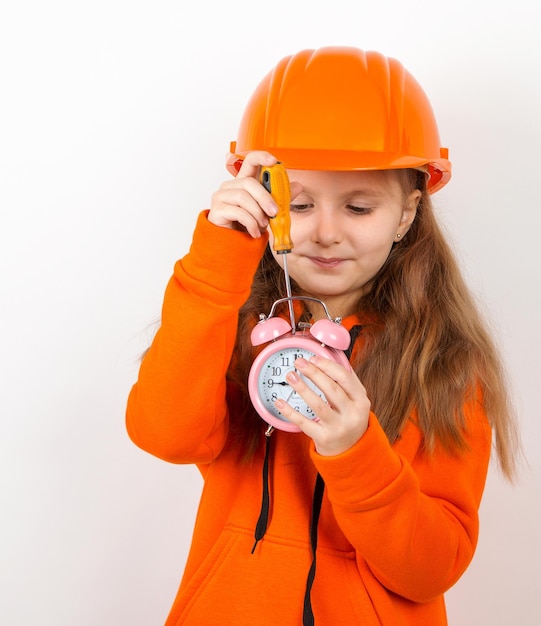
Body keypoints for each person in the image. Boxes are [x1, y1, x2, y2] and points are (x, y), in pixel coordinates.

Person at [126, 46, 519, 626]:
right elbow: (164, 435)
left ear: (407, 214)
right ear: (263, 199)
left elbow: (433, 568)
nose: (326, 233)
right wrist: (218, 258)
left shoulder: (444, 365)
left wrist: (356, 453)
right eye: (300, 203)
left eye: (359, 207)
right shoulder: (228, 331)